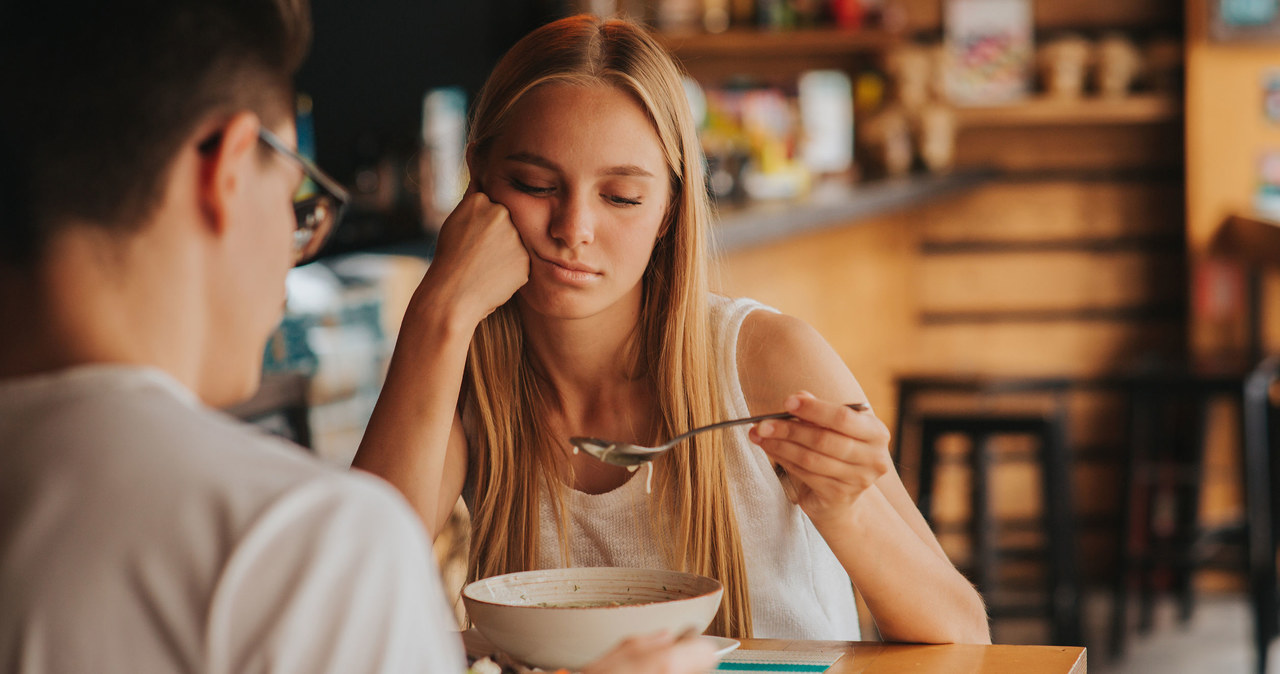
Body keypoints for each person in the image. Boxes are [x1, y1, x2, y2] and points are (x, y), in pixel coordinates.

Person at [0, 1, 715, 672]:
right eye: (295, 198)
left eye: (621, 195)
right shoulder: (295, 540)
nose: (292, 245)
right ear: (226, 169)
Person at [354, 15, 991, 644]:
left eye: (622, 197)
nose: (574, 228)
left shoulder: (765, 361)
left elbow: (964, 637)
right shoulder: (467, 381)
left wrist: (846, 508)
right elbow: (350, 595)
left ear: (666, 211)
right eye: (535, 184)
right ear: (479, 182)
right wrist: (438, 310)